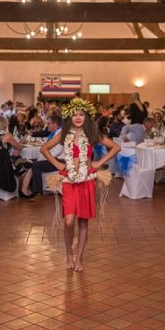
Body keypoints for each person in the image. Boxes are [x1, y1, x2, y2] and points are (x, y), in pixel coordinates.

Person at [41, 98, 120, 271]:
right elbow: (44, 149)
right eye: (75, 114)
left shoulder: (92, 134)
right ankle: (68, 253)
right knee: (69, 221)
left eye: (81, 114)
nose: (78, 117)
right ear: (69, 117)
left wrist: (98, 163)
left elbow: (115, 147)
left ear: (86, 117)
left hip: (86, 181)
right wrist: (58, 165)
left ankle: (79, 257)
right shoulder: (64, 134)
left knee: (83, 221)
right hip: (69, 180)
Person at [20, 114, 63, 199]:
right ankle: (25, 189)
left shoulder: (60, 134)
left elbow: (56, 151)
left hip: (59, 160)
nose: (47, 125)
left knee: (36, 165)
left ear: (55, 124)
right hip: (54, 158)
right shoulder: (55, 133)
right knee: (32, 163)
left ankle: (37, 191)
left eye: (49, 123)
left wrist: (43, 157)